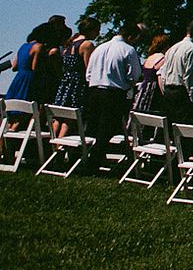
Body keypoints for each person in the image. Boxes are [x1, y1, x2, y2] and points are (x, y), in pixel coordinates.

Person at [81, 21, 142, 173]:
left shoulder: (100, 47)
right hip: (114, 93)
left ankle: (89, 158)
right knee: (106, 130)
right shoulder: (128, 50)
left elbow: (88, 73)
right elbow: (134, 75)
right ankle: (92, 163)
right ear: (130, 36)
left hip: (94, 90)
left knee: (93, 128)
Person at [50, 15, 100, 135]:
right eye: (97, 30)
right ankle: (60, 149)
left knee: (58, 117)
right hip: (78, 84)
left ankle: (53, 146)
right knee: (69, 120)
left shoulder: (70, 43)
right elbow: (89, 67)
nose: (98, 34)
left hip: (65, 83)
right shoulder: (87, 45)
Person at [129, 32, 168, 116]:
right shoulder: (162, 58)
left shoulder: (149, 58)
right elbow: (160, 77)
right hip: (154, 90)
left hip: (144, 88)